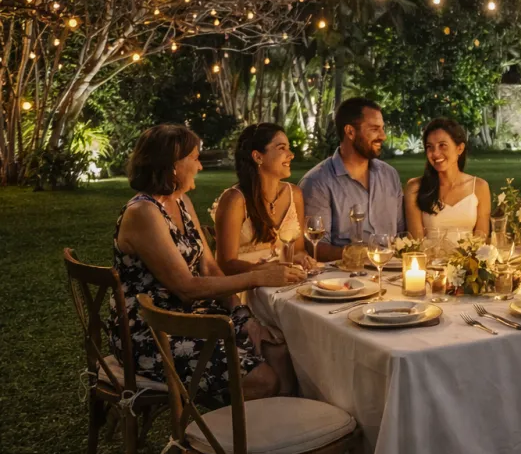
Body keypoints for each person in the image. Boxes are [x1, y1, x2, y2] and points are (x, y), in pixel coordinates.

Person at [111, 125, 305, 403]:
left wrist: (243, 315)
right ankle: (236, 428)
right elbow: (187, 288)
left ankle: (278, 427)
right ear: (172, 166)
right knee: (264, 380)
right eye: (194, 158)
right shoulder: (143, 212)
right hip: (154, 331)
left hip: (196, 317)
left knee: (279, 352)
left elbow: (211, 268)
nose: (200, 166)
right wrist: (258, 277)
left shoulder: (181, 201)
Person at [299, 97, 406, 260]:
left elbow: (401, 233)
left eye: (382, 129)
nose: (383, 136)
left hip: (391, 269)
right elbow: (316, 247)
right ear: (350, 132)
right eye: (375, 129)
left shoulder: (389, 175)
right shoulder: (317, 182)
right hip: (344, 273)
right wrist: (358, 255)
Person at [212, 123, 317, 275]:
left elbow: (298, 250)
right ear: (258, 157)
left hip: (284, 281)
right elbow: (226, 264)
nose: (291, 154)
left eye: (288, 148)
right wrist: (267, 270)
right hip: (245, 286)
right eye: (282, 148)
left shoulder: (294, 194)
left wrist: (302, 258)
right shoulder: (235, 200)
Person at [405, 118, 491, 240]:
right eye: (430, 147)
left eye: (442, 145)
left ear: (459, 149)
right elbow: (415, 242)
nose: (435, 153)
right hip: (429, 252)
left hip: (469, 253)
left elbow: (481, 239)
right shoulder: (415, 188)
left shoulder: (479, 187)